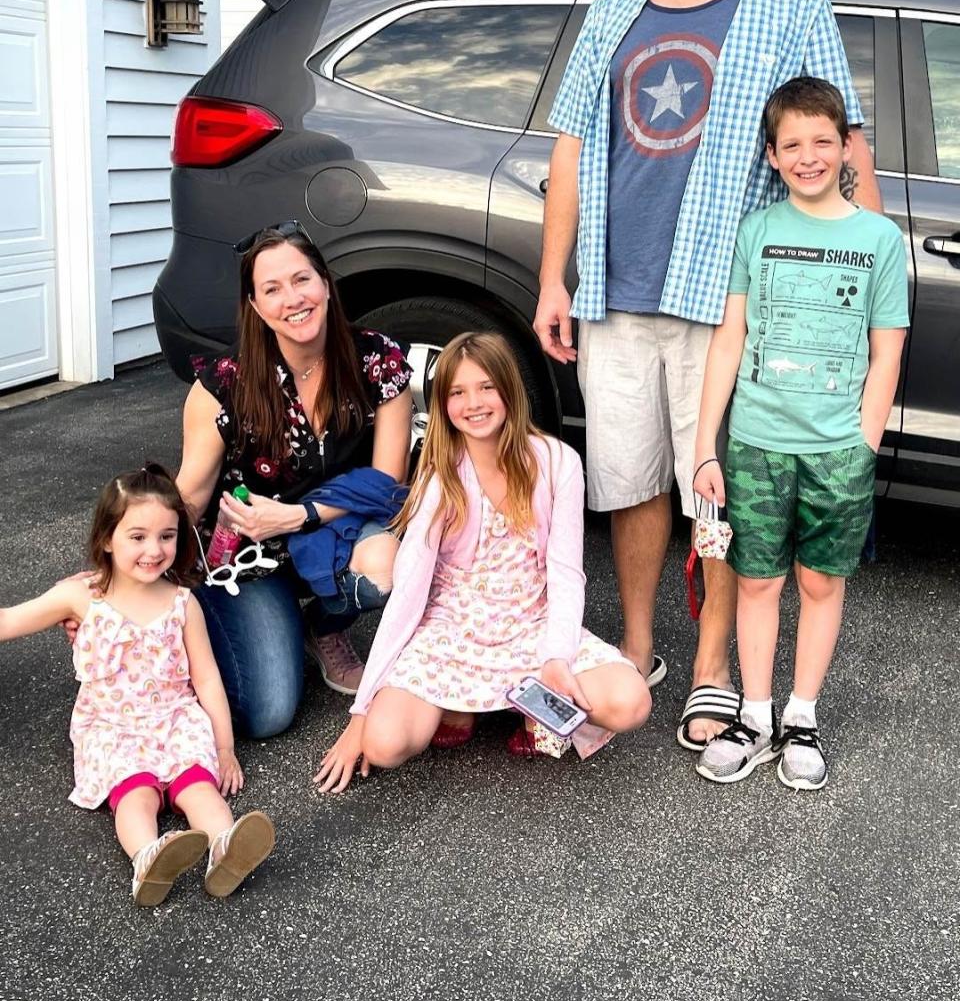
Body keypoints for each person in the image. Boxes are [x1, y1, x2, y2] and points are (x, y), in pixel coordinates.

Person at [532, 0, 883, 750]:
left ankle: (714, 667)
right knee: (631, 480)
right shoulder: (615, 7)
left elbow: (842, 135)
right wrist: (553, 278)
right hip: (613, 286)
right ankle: (640, 645)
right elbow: (570, 147)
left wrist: (868, 267)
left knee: (719, 486)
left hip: (728, 296)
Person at [314, 333, 651, 794]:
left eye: (486, 387)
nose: (473, 403)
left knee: (631, 701)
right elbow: (410, 587)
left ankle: (516, 704)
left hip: (531, 623)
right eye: (457, 392)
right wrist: (362, 709)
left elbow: (567, 573)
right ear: (443, 403)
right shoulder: (440, 472)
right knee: (384, 743)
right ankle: (471, 704)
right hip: (454, 630)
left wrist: (556, 657)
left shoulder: (557, 463)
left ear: (509, 390)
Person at [691, 77, 908, 788]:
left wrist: (864, 446)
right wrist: (705, 448)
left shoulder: (879, 239)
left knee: (820, 582)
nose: (808, 156)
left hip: (836, 450)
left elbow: (887, 351)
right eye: (793, 145)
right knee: (757, 581)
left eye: (823, 141)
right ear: (773, 155)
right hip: (755, 443)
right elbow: (729, 340)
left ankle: (801, 716)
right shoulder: (757, 231)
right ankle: (753, 715)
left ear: (847, 146)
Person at [177, 220, 412, 738]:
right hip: (244, 560)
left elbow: (388, 482)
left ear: (325, 283)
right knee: (268, 714)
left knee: (389, 568)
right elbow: (189, 496)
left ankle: (322, 627)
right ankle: (220, 623)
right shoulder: (223, 384)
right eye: (272, 289)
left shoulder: (376, 359)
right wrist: (121, 575)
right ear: (256, 307)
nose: (293, 299)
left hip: (332, 533)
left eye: (302, 280)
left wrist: (299, 514)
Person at [0, 465, 275, 906]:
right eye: (138, 536)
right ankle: (147, 858)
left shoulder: (182, 603)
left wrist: (224, 748)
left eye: (167, 536)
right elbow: (11, 619)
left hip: (174, 717)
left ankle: (226, 847)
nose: (154, 549)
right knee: (136, 793)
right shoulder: (81, 596)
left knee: (199, 787)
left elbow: (206, 678)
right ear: (107, 539)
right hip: (111, 726)